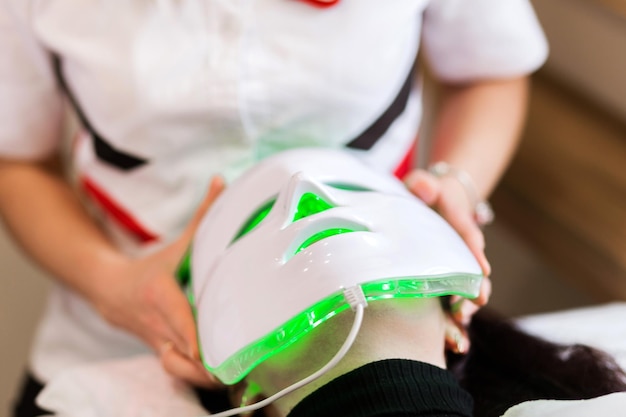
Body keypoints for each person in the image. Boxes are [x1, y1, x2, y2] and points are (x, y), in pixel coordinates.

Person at [0, 1, 548, 415]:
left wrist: (457, 183)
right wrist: (111, 284)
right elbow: (16, 158)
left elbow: (489, 69)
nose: (302, 190)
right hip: (117, 331)